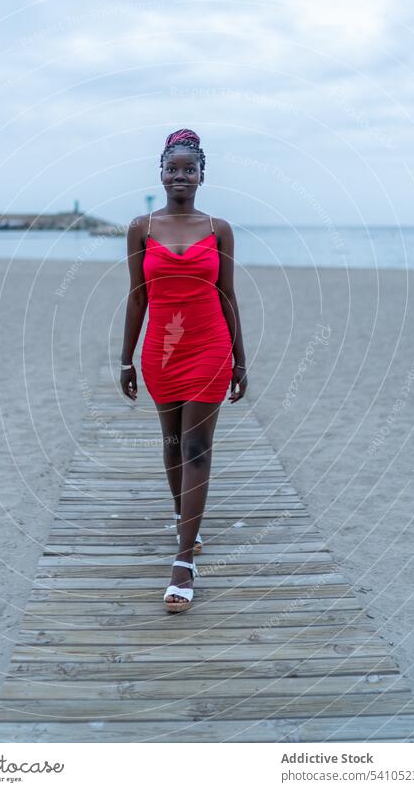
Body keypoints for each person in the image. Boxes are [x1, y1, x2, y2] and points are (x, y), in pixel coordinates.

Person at [120, 128, 248, 612]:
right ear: (161, 172)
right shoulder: (140, 227)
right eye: (171, 168)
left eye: (188, 169)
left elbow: (227, 295)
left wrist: (240, 358)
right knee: (172, 445)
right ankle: (185, 522)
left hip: (210, 346)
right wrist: (125, 358)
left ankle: (183, 562)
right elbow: (137, 296)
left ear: (201, 175)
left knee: (196, 446)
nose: (179, 176)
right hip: (161, 351)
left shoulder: (219, 228)